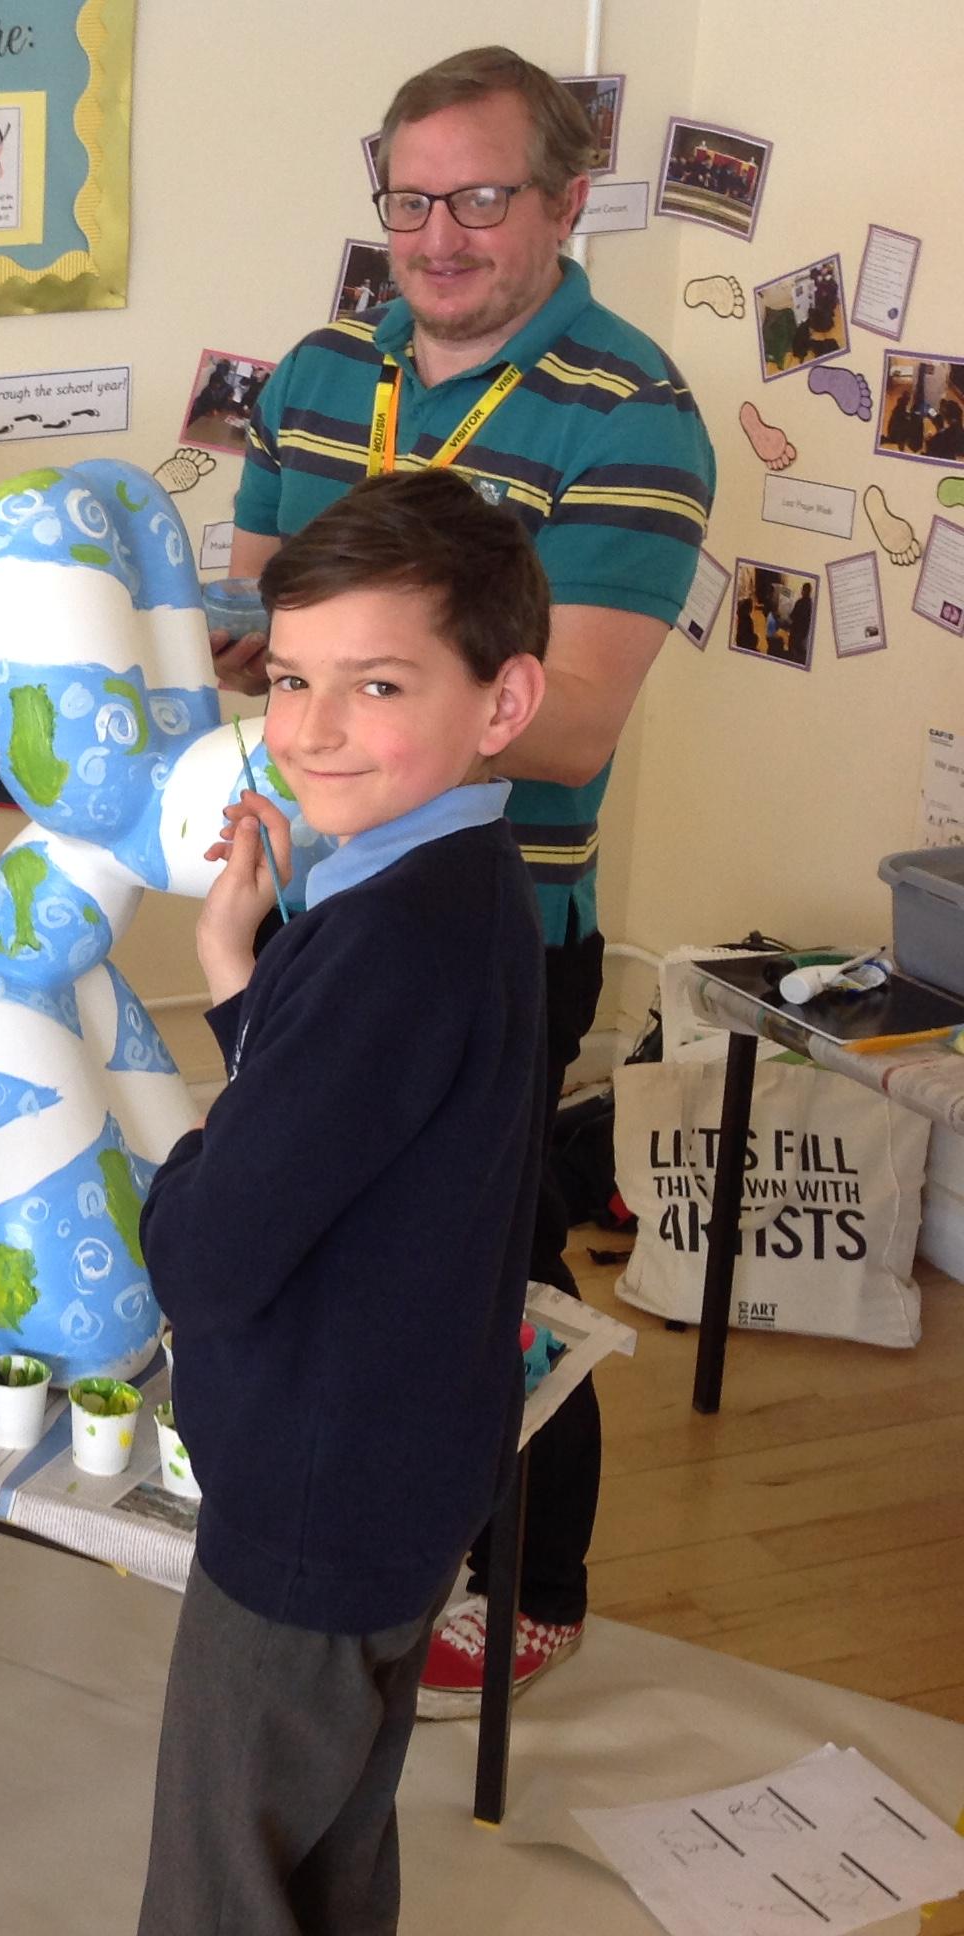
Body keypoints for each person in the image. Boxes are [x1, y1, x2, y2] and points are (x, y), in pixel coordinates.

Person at [209, 44, 715, 1720]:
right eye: (409, 199)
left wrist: (352, 702)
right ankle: (374, 1532)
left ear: (567, 202)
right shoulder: (316, 371)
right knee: (321, 1231)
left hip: (485, 919)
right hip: (303, 896)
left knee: (488, 1266)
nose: (435, 236)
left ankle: (537, 1581)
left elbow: (570, 719)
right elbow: (258, 626)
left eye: (480, 198)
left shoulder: (629, 411)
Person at [138, 469, 552, 1935]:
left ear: (503, 701)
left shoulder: (387, 937)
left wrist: (188, 1157)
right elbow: (355, 1120)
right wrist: (239, 964)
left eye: (376, 684)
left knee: (226, 1881)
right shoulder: (455, 882)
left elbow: (206, 1255)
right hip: (402, 1469)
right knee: (329, 1851)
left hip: (313, 1504)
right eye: (292, 679)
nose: (310, 730)